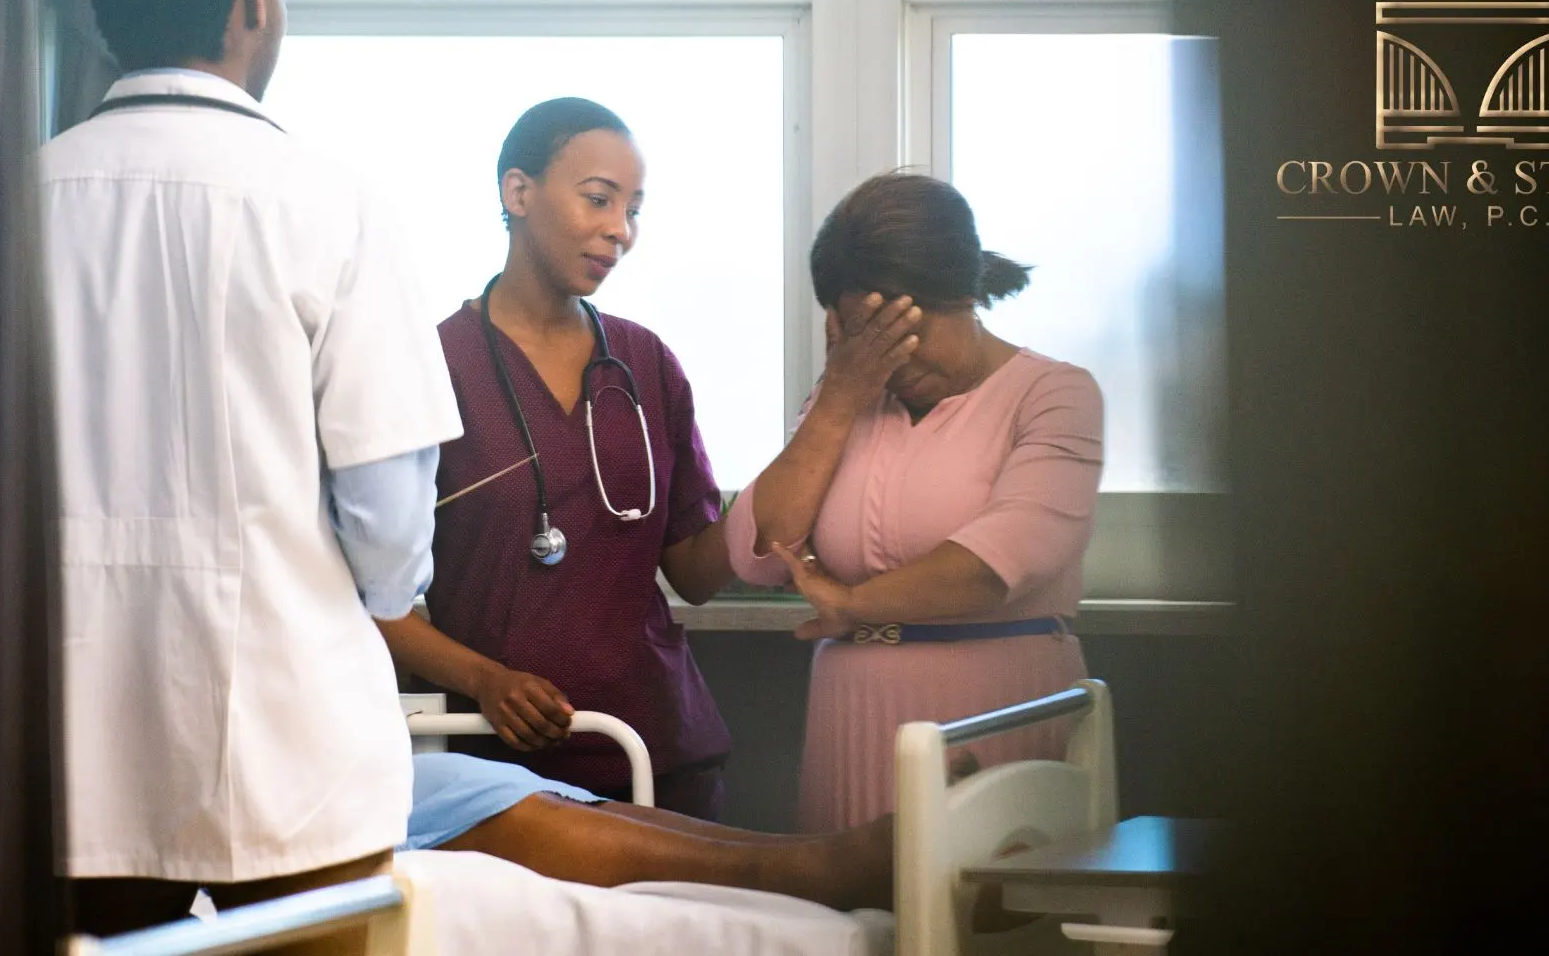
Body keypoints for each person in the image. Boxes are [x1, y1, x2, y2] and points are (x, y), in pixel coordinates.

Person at [43, 0, 462, 950]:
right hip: (295, 744)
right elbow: (387, 511)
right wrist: (380, 591)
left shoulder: (14, 203)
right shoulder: (330, 203)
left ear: (98, 7)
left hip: (67, 745)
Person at [380, 97, 738, 820]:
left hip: (659, 750)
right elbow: (372, 599)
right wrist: (486, 680)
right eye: (600, 200)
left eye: (634, 210)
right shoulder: (427, 368)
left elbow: (697, 573)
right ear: (518, 192)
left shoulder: (644, 364)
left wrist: (792, 487)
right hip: (501, 774)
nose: (621, 230)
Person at [726, 171, 1106, 832]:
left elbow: (1000, 561)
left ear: (961, 295)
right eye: (867, 336)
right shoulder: (848, 397)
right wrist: (840, 395)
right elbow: (759, 554)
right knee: (848, 925)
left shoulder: (1056, 394)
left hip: (1000, 713)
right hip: (849, 723)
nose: (891, 361)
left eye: (905, 330)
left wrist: (850, 603)